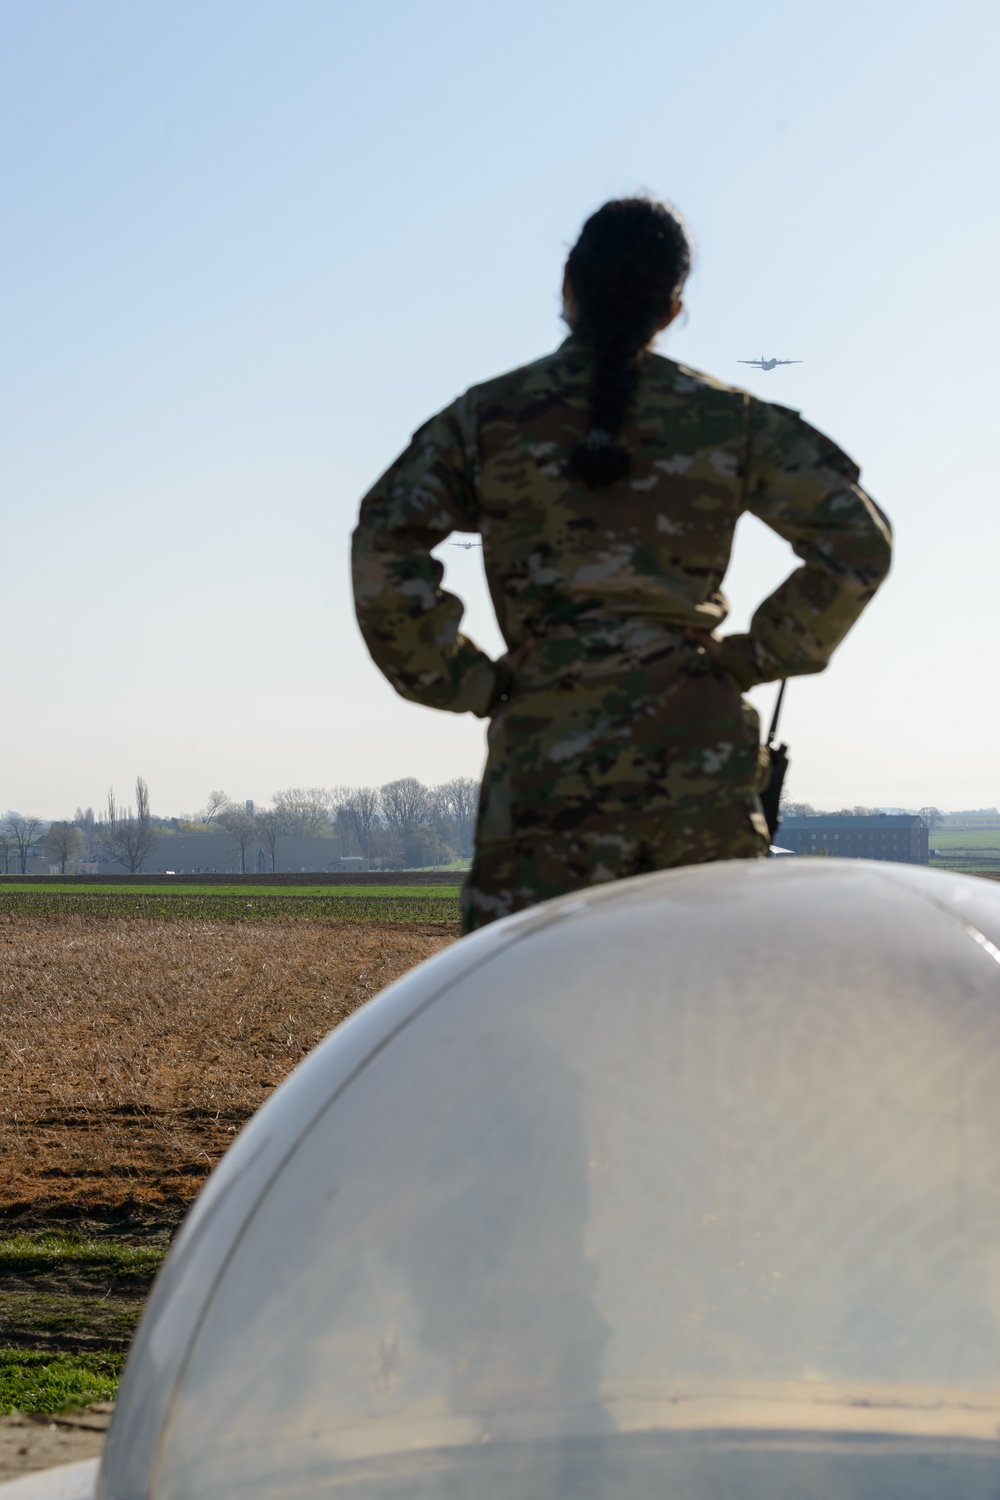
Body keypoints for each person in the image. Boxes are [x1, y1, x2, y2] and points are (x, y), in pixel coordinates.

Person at [352, 197, 892, 931]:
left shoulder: (487, 420)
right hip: (696, 767)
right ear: (671, 310)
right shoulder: (729, 420)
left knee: (532, 1016)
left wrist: (468, 678)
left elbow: (386, 537)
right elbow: (858, 541)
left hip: (546, 765)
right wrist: (753, 658)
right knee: (704, 1016)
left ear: (569, 284)